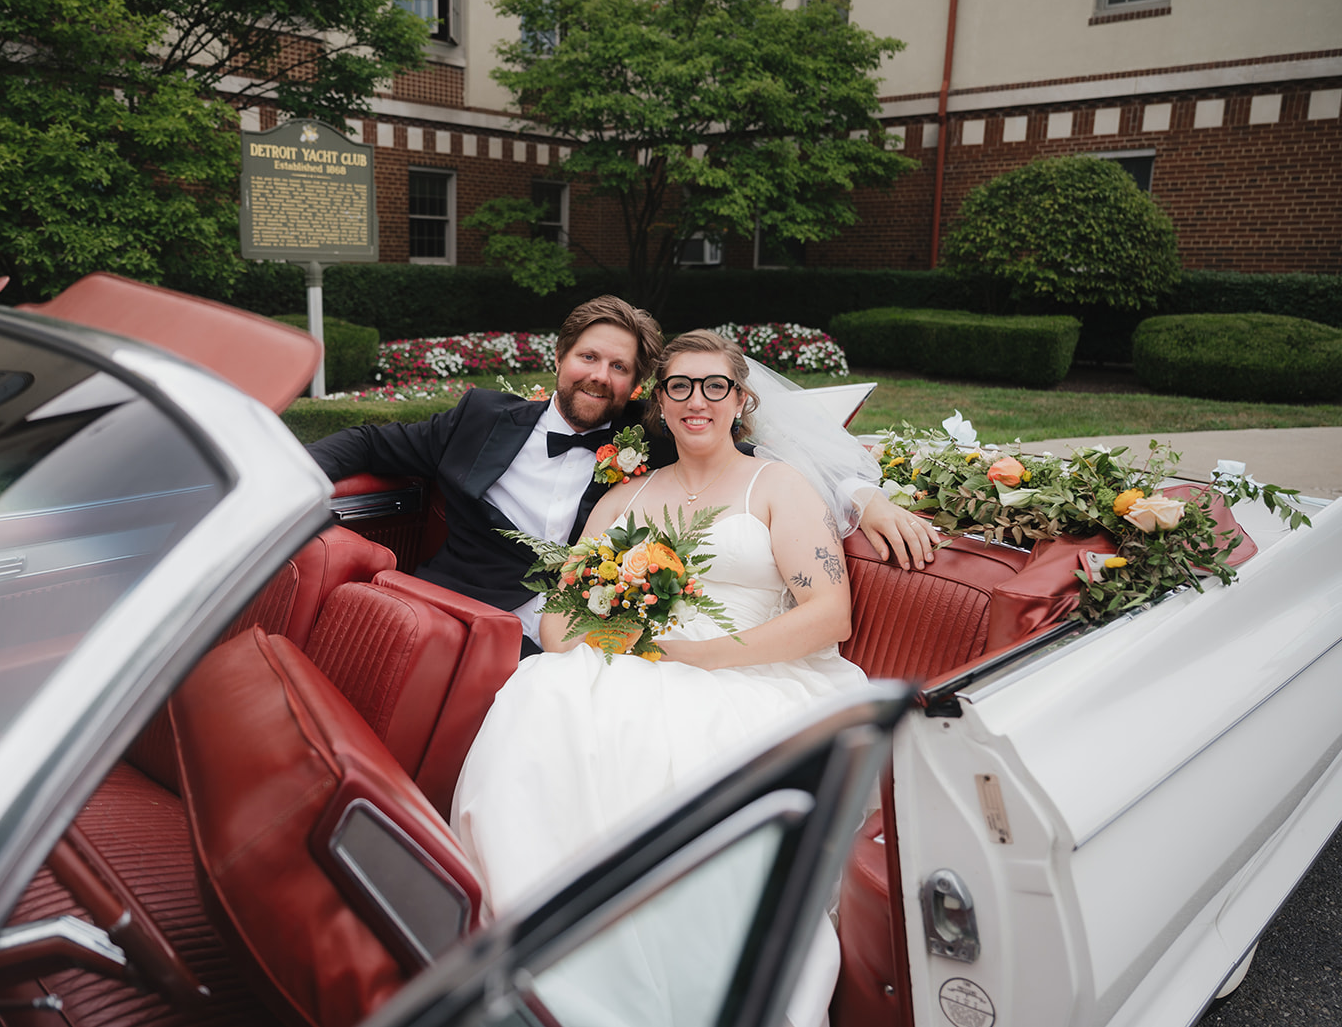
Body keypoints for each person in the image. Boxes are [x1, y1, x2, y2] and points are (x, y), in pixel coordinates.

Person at [450, 331, 864, 1026]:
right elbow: (557, 627)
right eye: (680, 385)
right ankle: (536, 955)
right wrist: (640, 642)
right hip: (639, 662)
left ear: (740, 399)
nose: (697, 400)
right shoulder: (624, 500)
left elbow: (831, 615)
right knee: (540, 689)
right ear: (659, 402)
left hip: (756, 669)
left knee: (683, 740)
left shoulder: (777, 487)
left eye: (714, 386)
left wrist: (711, 655)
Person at [306, 295, 936, 653]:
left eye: (619, 367)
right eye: (588, 358)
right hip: (467, 609)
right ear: (559, 358)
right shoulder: (479, 419)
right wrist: (287, 478)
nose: (599, 376)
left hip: (583, 626)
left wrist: (863, 497)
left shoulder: (655, 440)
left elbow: (761, 449)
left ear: (639, 388)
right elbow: (367, 441)